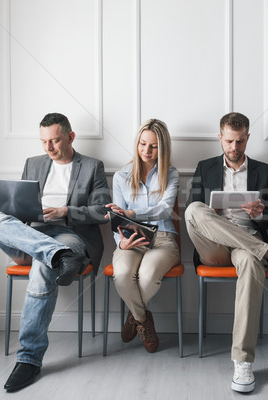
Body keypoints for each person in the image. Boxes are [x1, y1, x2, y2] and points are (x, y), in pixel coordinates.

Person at [0, 113, 110, 392]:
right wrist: (16, 213)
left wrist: (65, 211)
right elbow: (17, 205)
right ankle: (57, 255)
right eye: (43, 142)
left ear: (70, 137)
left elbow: (103, 211)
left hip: (69, 235)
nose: (49, 148)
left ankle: (29, 359)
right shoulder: (33, 163)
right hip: (31, 235)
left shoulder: (91, 166)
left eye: (54, 140)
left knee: (43, 266)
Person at [184, 112, 268, 393]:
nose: (234, 148)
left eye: (239, 141)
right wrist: (211, 214)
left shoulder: (263, 171)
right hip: (212, 246)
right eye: (228, 141)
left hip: (246, 241)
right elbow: (191, 212)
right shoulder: (205, 167)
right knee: (193, 209)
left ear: (247, 138)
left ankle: (243, 361)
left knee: (251, 265)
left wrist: (262, 213)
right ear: (220, 138)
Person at [105, 119, 180, 353]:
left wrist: (132, 212)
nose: (146, 151)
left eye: (154, 146)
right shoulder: (121, 176)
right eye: (142, 144)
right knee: (123, 275)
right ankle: (143, 320)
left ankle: (133, 317)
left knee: (146, 278)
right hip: (130, 239)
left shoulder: (172, 174)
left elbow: (166, 209)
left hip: (163, 240)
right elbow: (116, 216)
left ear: (163, 148)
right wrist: (121, 242)